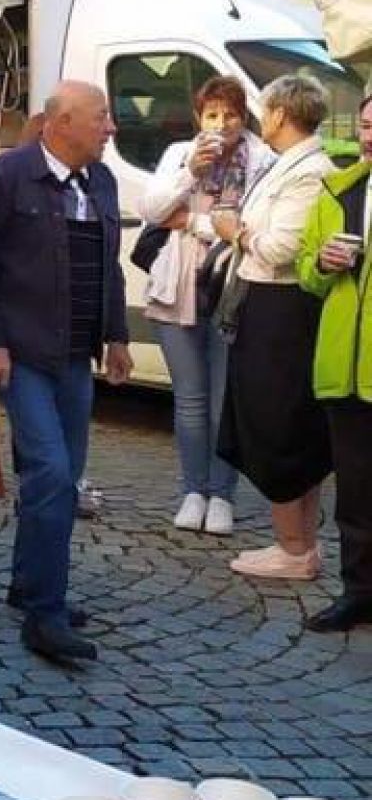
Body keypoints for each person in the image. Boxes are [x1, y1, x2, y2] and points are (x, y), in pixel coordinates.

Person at [0, 81, 133, 664]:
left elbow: (109, 264)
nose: (110, 128)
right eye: (100, 117)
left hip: (76, 357)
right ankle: (45, 615)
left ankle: (28, 582)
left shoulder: (101, 180)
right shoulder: (6, 176)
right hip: (25, 353)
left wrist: (117, 335)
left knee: (63, 477)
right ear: (61, 123)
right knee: (53, 475)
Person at [140, 76, 274, 537]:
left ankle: (222, 495)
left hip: (235, 288)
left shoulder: (263, 160)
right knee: (190, 401)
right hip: (178, 289)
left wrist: (194, 222)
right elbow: (153, 209)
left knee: (223, 401)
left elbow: (254, 225)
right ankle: (193, 490)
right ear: (199, 118)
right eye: (212, 114)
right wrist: (190, 173)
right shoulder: (180, 153)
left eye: (230, 114)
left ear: (244, 117)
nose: (221, 123)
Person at [217, 74, 335, 581]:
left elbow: (280, 249)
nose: (260, 118)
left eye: (264, 110)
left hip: (281, 310)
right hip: (268, 305)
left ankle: (294, 548)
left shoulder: (309, 171)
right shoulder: (287, 163)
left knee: (278, 426)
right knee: (285, 424)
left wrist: (235, 232)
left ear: (282, 114)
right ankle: (298, 543)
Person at [299, 92, 372, 632]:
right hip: (343, 368)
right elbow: (307, 271)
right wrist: (323, 263)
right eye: (366, 126)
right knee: (356, 492)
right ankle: (359, 593)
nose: (370, 137)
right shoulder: (338, 190)